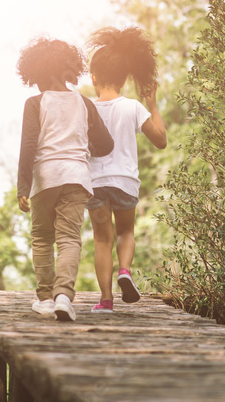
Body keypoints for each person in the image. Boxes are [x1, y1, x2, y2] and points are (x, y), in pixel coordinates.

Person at [16, 37, 114, 321]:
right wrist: (84, 148)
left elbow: (28, 146)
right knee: (70, 238)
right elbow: (106, 144)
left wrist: (23, 186)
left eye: (38, 77)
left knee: (43, 239)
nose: (36, 84)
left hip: (44, 178)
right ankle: (63, 297)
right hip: (76, 178)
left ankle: (45, 299)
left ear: (49, 72)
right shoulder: (84, 103)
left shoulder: (35, 103)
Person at [84, 27, 167, 313]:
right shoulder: (133, 107)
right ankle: (125, 271)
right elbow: (160, 141)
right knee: (126, 233)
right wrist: (152, 105)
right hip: (125, 182)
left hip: (94, 184)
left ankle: (105, 300)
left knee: (101, 240)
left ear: (93, 78)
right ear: (123, 78)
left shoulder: (86, 109)